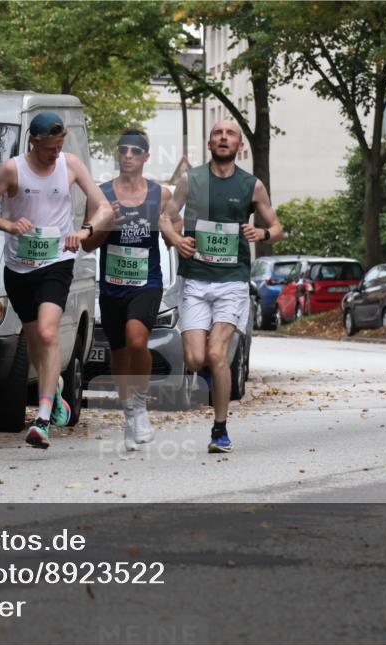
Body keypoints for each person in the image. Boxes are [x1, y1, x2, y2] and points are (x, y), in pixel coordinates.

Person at [0, 112, 113, 449]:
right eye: (50, 147)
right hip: (19, 267)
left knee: (49, 333)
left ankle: (42, 418)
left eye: (60, 146)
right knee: (37, 341)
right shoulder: (12, 169)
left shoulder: (71, 164)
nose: (55, 153)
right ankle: (57, 392)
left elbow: (105, 208)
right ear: (34, 141)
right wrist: (9, 225)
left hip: (57, 262)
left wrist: (83, 232)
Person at [160, 120, 283, 454]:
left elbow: (276, 225)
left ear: (239, 145)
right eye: (218, 133)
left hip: (231, 281)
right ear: (210, 142)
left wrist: (263, 234)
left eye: (230, 134)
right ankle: (211, 381)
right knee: (195, 357)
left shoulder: (252, 185)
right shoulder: (191, 180)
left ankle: (220, 429)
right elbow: (164, 216)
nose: (224, 137)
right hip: (195, 280)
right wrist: (175, 239)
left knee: (217, 354)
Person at [81, 129, 173, 452]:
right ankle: (130, 413)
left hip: (147, 282)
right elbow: (87, 244)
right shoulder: (101, 195)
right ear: (118, 155)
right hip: (113, 285)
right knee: (118, 353)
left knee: (137, 340)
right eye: (124, 150)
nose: (129, 155)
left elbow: (172, 229)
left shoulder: (160, 195)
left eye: (136, 151)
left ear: (146, 156)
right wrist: (105, 226)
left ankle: (140, 407)